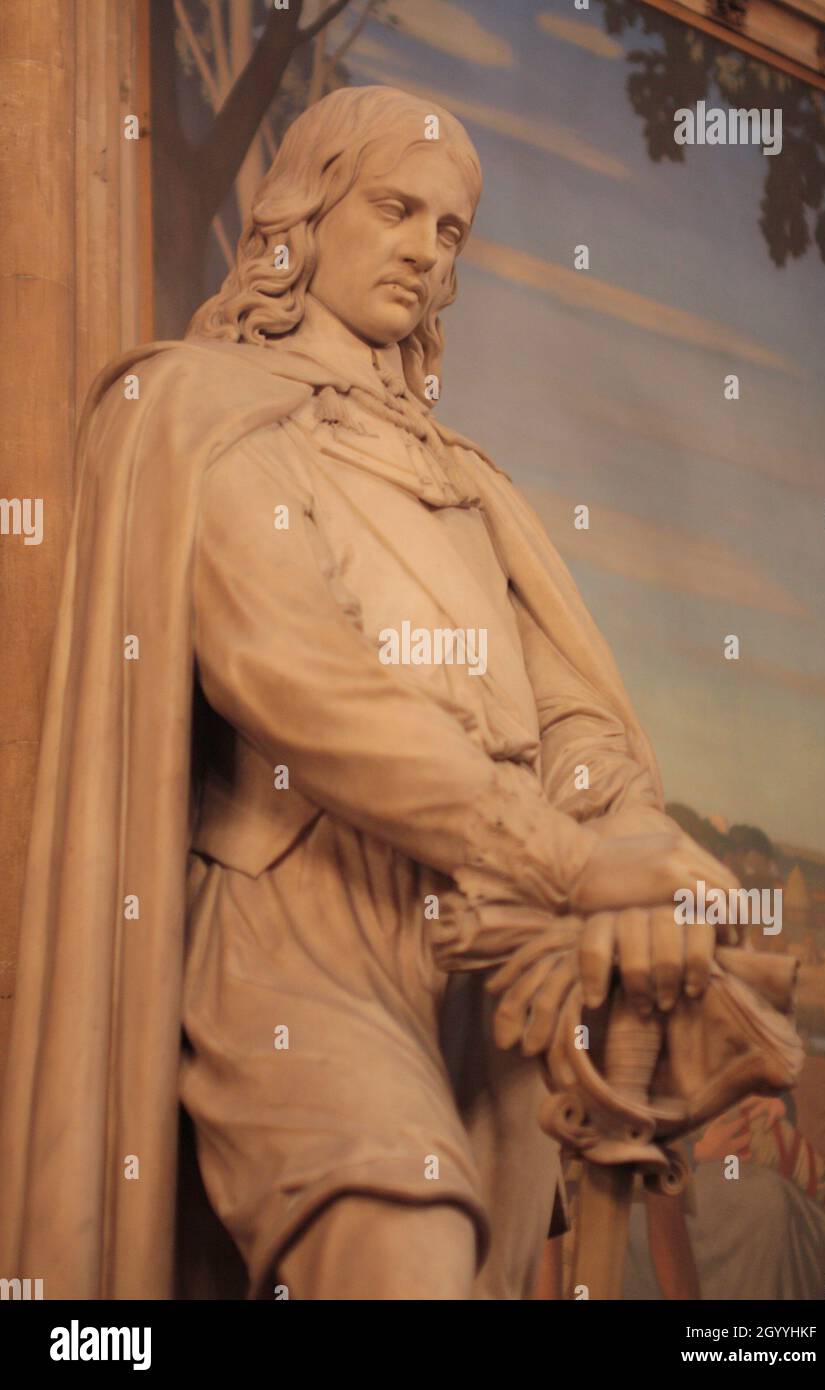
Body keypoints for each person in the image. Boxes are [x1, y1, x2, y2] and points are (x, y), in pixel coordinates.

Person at [0, 85, 738, 1301]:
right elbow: (304, 688)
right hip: (299, 922)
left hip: (484, 957)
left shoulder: (463, 478)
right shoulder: (199, 410)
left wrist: (628, 826)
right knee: (404, 1251)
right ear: (306, 210)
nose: (423, 250)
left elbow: (571, 719)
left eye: (448, 231)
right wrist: (566, 857)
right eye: (396, 208)